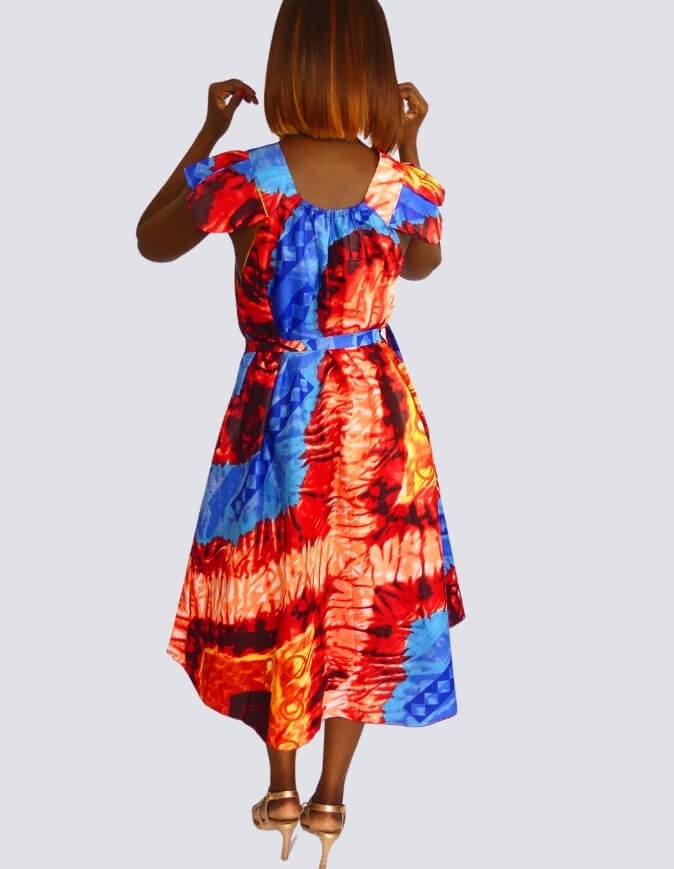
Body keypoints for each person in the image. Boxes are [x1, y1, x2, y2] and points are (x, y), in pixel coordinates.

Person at [136, 1, 465, 866]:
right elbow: (425, 260)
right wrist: (407, 144)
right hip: (377, 415)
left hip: (274, 414)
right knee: (363, 596)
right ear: (375, 74)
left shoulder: (244, 176)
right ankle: (331, 800)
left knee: (277, 585)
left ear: (285, 63)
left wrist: (207, 131)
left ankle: (280, 784)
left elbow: (151, 240)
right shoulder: (396, 182)